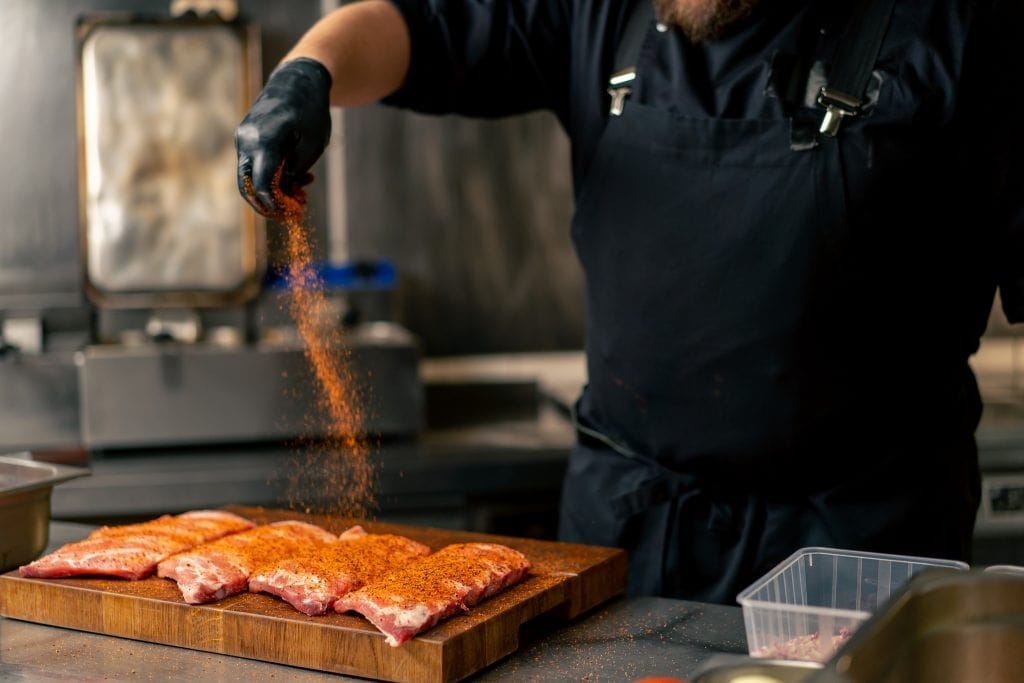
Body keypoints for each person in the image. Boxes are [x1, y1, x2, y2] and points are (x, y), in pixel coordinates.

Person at [235, 0, 1024, 604]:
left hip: (865, 557)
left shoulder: (963, 30)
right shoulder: (607, 14)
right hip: (631, 546)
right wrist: (310, 71)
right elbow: (420, 27)